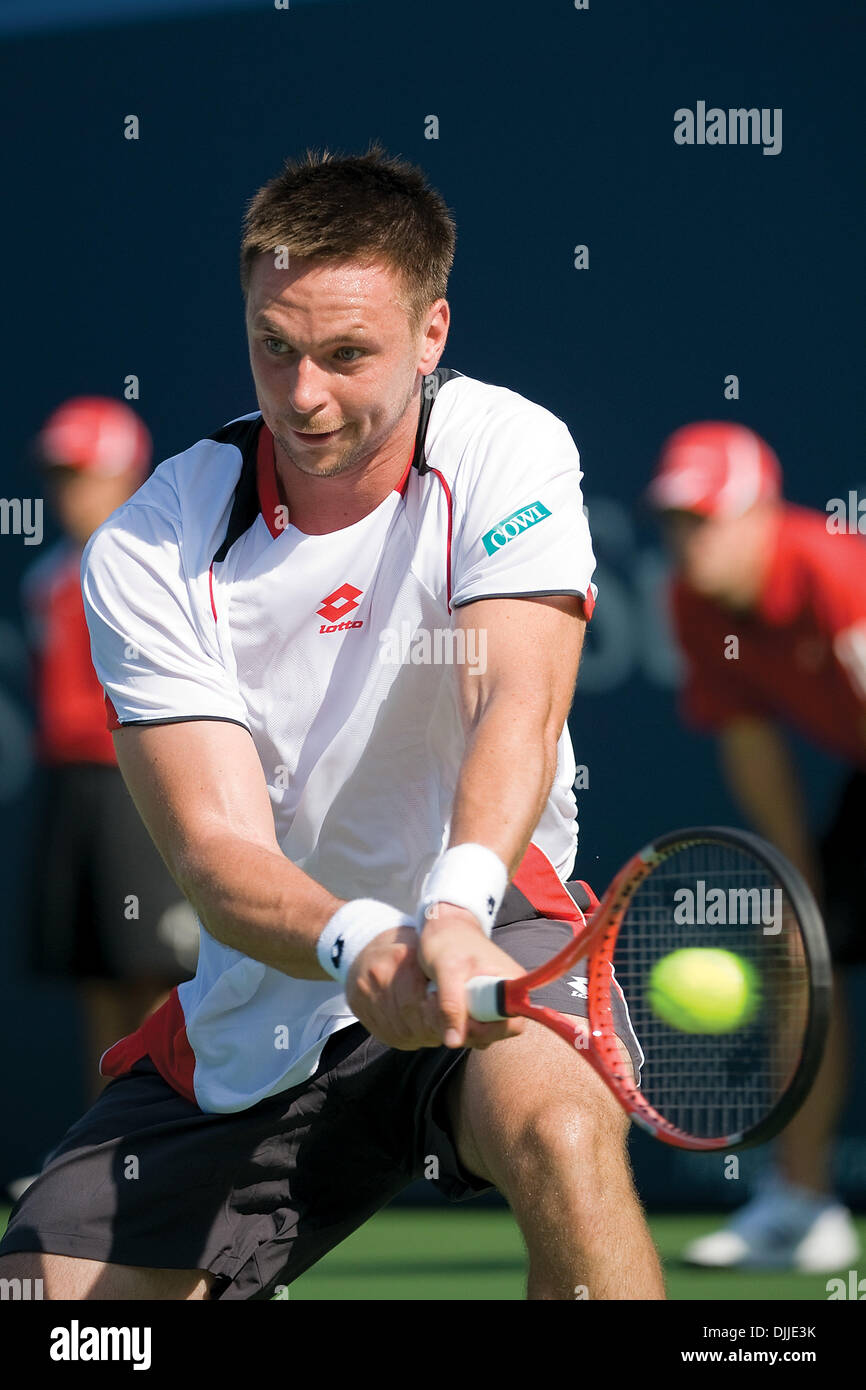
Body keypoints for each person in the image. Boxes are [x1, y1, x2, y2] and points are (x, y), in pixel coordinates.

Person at [0, 145, 662, 1301]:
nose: (302, 393)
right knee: (46, 1308)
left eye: (347, 354)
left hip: (492, 923)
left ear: (431, 333)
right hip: (275, 982)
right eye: (274, 346)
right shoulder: (152, 546)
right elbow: (216, 855)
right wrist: (369, 939)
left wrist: (451, 910)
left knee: (561, 1135)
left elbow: (515, 694)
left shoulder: (507, 447)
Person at [647, 419, 865, 1271]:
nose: (689, 540)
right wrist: (795, 878)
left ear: (763, 514)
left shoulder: (833, 569)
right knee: (798, 945)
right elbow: (750, 739)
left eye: (708, 519)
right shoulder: (695, 601)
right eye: (678, 520)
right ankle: (802, 1208)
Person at [21, 398, 199, 1102]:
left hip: (143, 786)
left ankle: (157, 1159)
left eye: (84, 474)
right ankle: (99, 1160)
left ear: (126, 476)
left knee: (157, 975)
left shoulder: (165, 569)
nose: (68, 492)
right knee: (95, 977)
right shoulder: (46, 579)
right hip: (74, 795)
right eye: (59, 476)